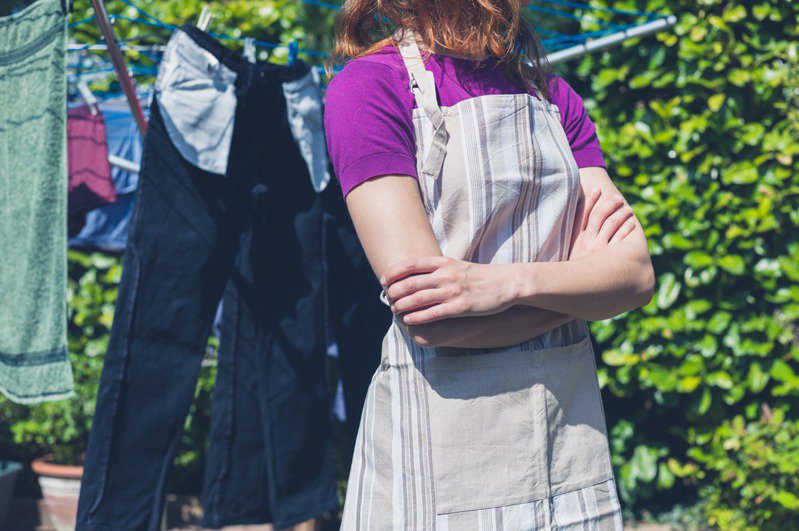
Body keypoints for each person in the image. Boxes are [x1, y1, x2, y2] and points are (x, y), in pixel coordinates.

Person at [324, 0, 655, 528]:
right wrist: (580, 292)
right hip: (440, 456)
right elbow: (435, 319)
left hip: (570, 447)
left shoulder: (551, 96)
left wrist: (501, 286)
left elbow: (635, 275)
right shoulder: (366, 89)